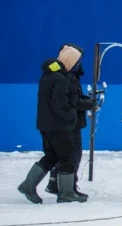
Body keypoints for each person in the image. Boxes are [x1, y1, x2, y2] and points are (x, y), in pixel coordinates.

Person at [17, 45, 88, 204]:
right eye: (77, 62)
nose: (78, 65)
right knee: (69, 157)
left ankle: (28, 185)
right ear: (70, 61)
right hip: (59, 126)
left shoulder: (49, 76)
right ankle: (66, 193)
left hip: (46, 125)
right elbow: (61, 106)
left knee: (52, 156)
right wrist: (72, 116)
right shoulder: (60, 79)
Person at [45, 43, 97, 198]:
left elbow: (74, 98)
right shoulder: (67, 78)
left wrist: (86, 101)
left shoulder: (67, 76)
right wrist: (89, 103)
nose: (79, 64)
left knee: (68, 155)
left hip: (69, 121)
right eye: (77, 61)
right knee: (73, 155)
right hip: (71, 122)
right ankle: (67, 188)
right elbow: (71, 102)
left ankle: (59, 184)